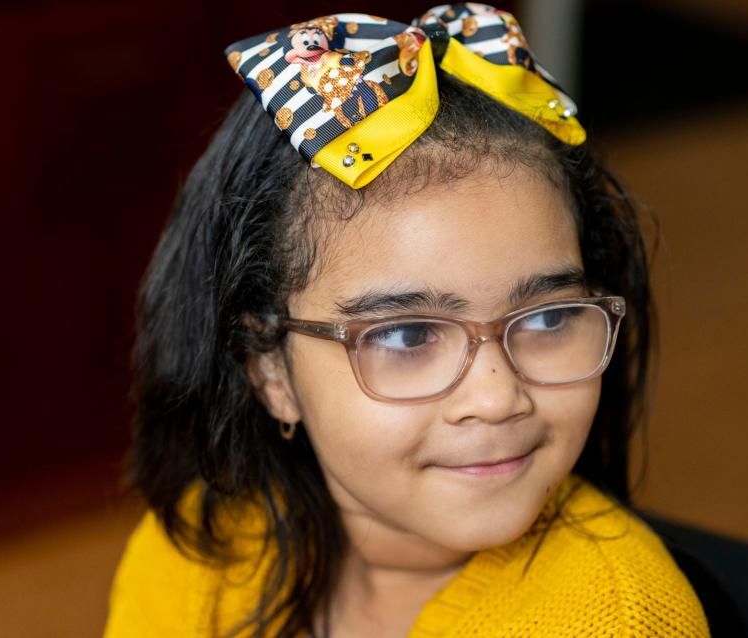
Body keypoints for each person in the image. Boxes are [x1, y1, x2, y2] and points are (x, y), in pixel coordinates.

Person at [103, 4, 711, 636]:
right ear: (270, 371)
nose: (498, 398)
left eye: (549, 317)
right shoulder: (196, 553)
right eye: (407, 334)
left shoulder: (616, 619)